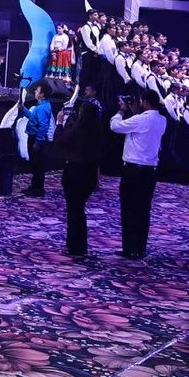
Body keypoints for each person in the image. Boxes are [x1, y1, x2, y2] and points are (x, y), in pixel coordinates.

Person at [109, 90, 166, 259]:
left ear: (145, 102)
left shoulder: (141, 119)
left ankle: (129, 248)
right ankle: (140, 247)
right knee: (144, 209)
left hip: (133, 170)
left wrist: (121, 111)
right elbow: (142, 127)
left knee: (129, 209)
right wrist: (135, 112)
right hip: (150, 171)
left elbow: (115, 126)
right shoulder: (162, 120)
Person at [56, 83, 105, 259]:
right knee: (78, 209)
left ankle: (75, 246)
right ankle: (78, 245)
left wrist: (60, 123)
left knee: (74, 210)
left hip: (75, 172)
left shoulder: (78, 131)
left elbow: (60, 141)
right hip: (89, 173)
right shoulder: (97, 132)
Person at [23, 83, 55, 198]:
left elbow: (43, 126)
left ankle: (38, 189)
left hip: (36, 138)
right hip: (35, 137)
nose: (35, 92)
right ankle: (34, 187)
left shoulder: (42, 108)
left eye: (37, 91)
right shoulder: (41, 105)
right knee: (35, 164)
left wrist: (38, 142)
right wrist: (23, 109)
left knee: (37, 165)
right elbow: (33, 118)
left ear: (42, 94)